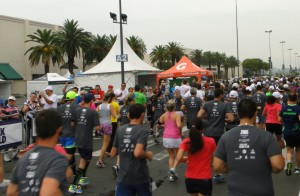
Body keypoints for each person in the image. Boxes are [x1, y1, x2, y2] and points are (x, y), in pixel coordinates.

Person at [213, 99, 284, 196]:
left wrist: (233, 168)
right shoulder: (267, 137)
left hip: (235, 192)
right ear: (255, 114)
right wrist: (265, 168)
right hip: (263, 191)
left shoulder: (226, 137)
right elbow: (278, 166)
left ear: (238, 114)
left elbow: (217, 166)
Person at [6, 109, 70, 196]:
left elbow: (11, 192)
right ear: (58, 131)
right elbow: (48, 193)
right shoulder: (58, 159)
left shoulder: (23, 158)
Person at [110, 104, 153, 196]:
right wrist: (148, 155)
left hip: (123, 177)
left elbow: (112, 153)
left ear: (129, 115)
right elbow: (137, 153)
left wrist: (125, 145)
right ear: (142, 115)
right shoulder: (143, 131)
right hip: (140, 176)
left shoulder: (120, 130)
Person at [197, 88, 233, 183]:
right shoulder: (224, 105)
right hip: (218, 133)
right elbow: (231, 118)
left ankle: (205, 174)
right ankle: (217, 175)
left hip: (208, 132)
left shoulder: (207, 104)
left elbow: (199, 116)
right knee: (217, 154)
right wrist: (223, 120)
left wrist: (207, 118)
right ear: (221, 95)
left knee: (207, 153)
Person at [69, 93, 100, 194]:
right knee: (83, 161)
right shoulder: (93, 112)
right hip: (86, 139)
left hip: (77, 137)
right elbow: (98, 128)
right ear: (91, 101)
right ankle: (74, 185)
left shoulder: (77, 109)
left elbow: (72, 123)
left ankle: (83, 178)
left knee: (86, 158)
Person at [176, 117, 216, 196]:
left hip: (190, 178)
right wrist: (211, 163)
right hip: (204, 178)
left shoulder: (186, 142)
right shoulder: (211, 141)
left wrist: (185, 159)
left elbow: (179, 157)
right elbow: (214, 158)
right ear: (202, 129)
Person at [159, 99, 182, 182]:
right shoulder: (177, 115)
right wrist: (180, 133)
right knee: (179, 154)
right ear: (174, 106)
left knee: (171, 155)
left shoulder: (164, 115)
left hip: (166, 136)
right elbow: (179, 125)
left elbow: (160, 122)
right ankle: (173, 169)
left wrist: (164, 125)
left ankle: (172, 175)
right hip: (175, 136)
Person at [57, 91, 79, 175]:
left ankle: (74, 172)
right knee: (69, 155)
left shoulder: (61, 107)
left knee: (70, 154)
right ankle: (61, 173)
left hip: (62, 134)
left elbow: (57, 120)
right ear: (74, 99)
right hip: (71, 134)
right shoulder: (77, 107)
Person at [279, 93, 300, 176]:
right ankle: (297, 168)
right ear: (296, 99)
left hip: (287, 132)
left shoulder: (284, 108)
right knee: (298, 150)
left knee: (289, 149)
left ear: (288, 99)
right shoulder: (298, 108)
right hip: (297, 132)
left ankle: (289, 163)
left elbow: (279, 119)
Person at [96, 93, 116, 168]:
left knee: (104, 142)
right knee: (106, 143)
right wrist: (119, 115)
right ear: (109, 99)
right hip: (107, 124)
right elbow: (114, 116)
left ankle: (102, 158)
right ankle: (100, 160)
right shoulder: (110, 106)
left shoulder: (99, 106)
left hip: (101, 125)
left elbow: (96, 114)